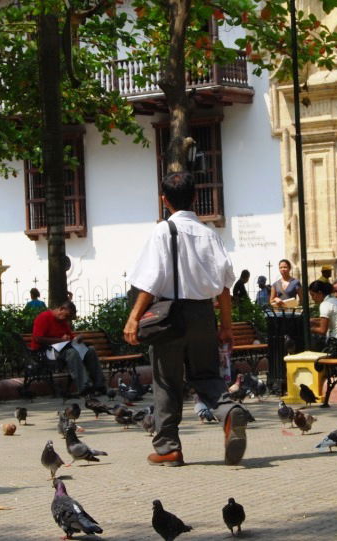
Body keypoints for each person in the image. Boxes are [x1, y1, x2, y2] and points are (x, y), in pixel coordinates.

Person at [123, 171, 251, 467]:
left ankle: (168, 447)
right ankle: (229, 413)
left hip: (169, 316)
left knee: (167, 381)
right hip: (204, 315)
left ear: (164, 200)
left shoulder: (163, 231)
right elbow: (224, 288)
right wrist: (227, 327)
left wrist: (133, 318)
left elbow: (150, 282)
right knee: (207, 375)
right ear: (195, 198)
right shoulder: (210, 235)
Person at [30, 300, 105, 396]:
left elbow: (70, 339)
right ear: (61, 309)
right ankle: (84, 387)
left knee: (90, 351)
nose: (67, 320)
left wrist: (78, 339)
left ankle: (100, 385)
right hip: (45, 352)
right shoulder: (44, 317)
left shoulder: (63, 321)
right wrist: (60, 341)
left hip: (62, 349)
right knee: (72, 353)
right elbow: (37, 338)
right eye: (66, 316)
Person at [308, 280, 337, 347]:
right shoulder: (334, 300)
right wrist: (311, 320)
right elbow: (328, 320)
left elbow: (322, 330)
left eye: (313, 295)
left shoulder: (325, 304)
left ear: (320, 293)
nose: (312, 298)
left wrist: (308, 329)